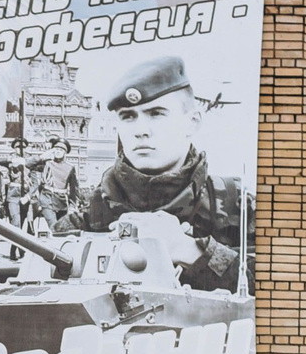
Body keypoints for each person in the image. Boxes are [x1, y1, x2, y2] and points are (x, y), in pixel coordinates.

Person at [57, 54, 245, 292]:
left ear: (193, 122)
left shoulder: (237, 206)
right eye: (128, 117)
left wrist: (189, 250)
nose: (141, 131)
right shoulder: (86, 218)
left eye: (156, 113)